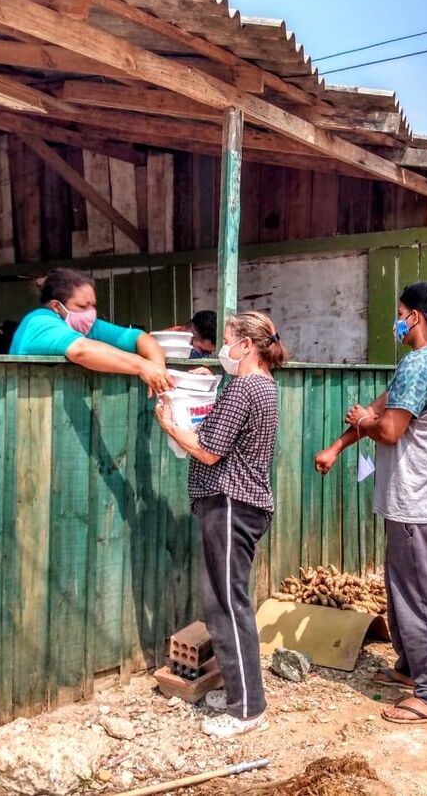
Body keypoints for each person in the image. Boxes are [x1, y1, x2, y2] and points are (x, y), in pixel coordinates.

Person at [315, 281, 427, 725]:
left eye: (401, 313)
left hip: (419, 502)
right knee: (401, 591)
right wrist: (339, 445)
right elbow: (383, 408)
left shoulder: (420, 365)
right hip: (415, 499)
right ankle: (409, 667)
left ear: (414, 317)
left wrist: (364, 420)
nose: (397, 321)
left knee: (419, 597)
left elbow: (389, 427)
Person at [154, 311, 288, 738]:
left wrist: (169, 425)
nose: (224, 349)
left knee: (226, 606)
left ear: (247, 345)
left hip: (230, 504)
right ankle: (238, 690)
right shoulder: (261, 385)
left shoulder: (246, 387)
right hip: (242, 505)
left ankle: (248, 707)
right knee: (228, 601)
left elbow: (209, 451)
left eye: (229, 340)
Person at [10, 268, 172, 395]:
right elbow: (81, 351)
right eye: (82, 306)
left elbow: (141, 338)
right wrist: (142, 366)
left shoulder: (84, 324)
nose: (90, 312)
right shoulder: (39, 322)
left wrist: (158, 370)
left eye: (92, 305)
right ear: (56, 306)